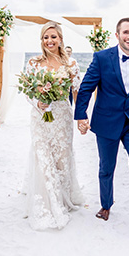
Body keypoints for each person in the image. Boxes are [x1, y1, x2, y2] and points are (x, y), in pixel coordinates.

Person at [75, 17, 129, 233]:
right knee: (107, 167)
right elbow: (86, 88)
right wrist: (81, 116)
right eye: (126, 32)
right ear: (117, 35)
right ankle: (106, 205)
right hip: (107, 121)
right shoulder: (102, 58)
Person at [24, 22, 83, 230]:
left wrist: (81, 118)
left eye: (53, 37)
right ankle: (47, 202)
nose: (49, 41)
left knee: (61, 157)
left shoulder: (71, 64)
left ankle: (62, 197)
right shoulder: (33, 63)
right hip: (40, 116)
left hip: (62, 116)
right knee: (42, 156)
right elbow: (28, 91)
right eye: (45, 37)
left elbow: (76, 92)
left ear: (60, 39)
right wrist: (37, 102)